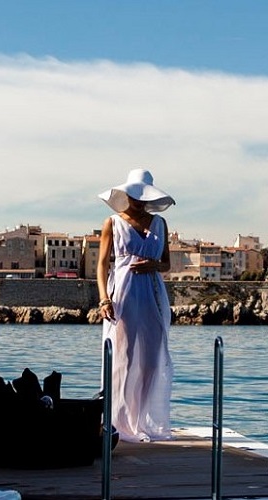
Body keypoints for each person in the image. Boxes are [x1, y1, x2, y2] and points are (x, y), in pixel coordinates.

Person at [96, 169, 175, 442]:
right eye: (134, 194)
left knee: (152, 360)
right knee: (123, 358)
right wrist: (104, 298)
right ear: (127, 193)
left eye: (143, 195)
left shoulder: (160, 224)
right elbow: (102, 265)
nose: (138, 200)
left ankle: (141, 420)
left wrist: (154, 264)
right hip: (123, 293)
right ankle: (117, 422)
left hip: (153, 293)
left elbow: (166, 264)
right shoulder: (113, 223)